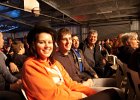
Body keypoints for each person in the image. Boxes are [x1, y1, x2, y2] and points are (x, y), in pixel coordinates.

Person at [22, 25, 122, 100]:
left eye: (49, 42)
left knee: (114, 92)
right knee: (113, 94)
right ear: (34, 45)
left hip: (71, 95)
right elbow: (52, 95)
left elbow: (70, 83)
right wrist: (80, 95)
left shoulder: (53, 62)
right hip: (67, 97)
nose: (47, 46)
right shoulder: (30, 65)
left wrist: (90, 92)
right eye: (42, 42)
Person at [0, 32, 23, 100]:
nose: (3, 40)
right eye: (1, 38)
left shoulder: (1, 54)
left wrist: (10, 63)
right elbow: (6, 74)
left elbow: (6, 73)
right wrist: (11, 86)